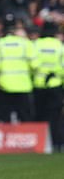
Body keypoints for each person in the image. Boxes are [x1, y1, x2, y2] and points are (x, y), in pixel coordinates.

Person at [0, 15, 37, 123]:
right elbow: (35, 65)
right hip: (24, 87)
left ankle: (6, 138)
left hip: (4, 87)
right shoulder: (26, 43)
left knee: (2, 117)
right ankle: (27, 138)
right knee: (26, 118)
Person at [33, 22, 64, 151]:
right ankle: (55, 143)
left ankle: (39, 143)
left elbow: (33, 64)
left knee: (39, 115)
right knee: (55, 117)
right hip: (55, 85)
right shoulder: (59, 46)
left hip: (38, 85)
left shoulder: (35, 45)